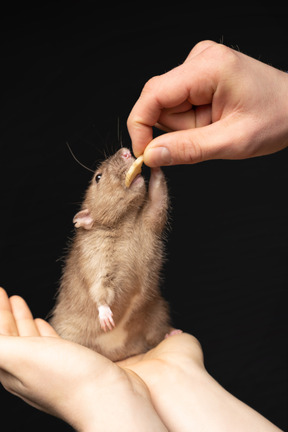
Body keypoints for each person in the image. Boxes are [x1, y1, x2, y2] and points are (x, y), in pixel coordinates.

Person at [0, 41, 286, 431]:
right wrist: (102, 306)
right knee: (77, 321)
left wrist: (160, 174)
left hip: (140, 329)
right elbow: (96, 276)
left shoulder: (138, 223)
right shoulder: (93, 235)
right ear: (86, 219)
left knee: (158, 312)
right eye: (99, 178)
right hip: (89, 331)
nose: (120, 155)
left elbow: (155, 215)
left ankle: (159, 344)